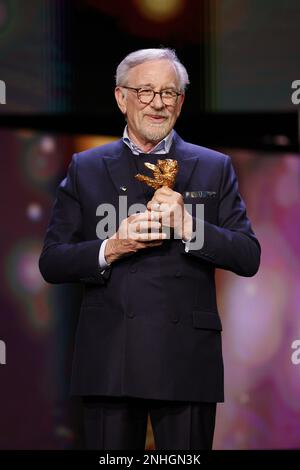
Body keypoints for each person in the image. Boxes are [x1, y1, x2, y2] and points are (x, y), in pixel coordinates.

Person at [39, 48, 261, 450]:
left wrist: (189, 225)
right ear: (121, 98)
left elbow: (248, 255)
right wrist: (113, 246)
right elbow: (52, 261)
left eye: (169, 93)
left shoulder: (213, 166)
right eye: (145, 92)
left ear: (181, 102)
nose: (158, 103)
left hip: (186, 359)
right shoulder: (85, 167)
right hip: (110, 359)